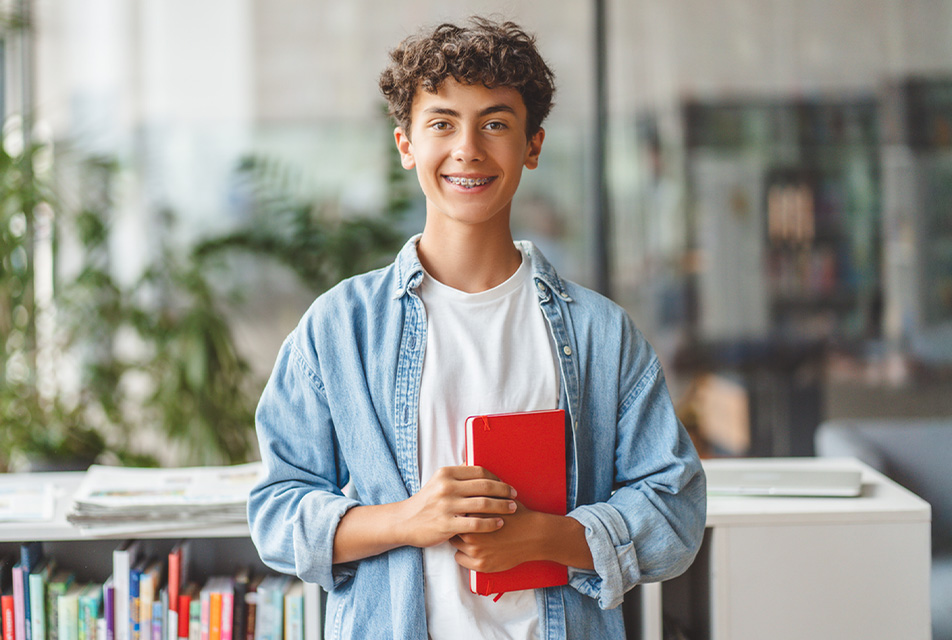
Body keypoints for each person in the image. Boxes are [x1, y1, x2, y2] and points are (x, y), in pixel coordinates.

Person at [248, 16, 705, 639]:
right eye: (442, 122)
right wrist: (410, 520)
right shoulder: (339, 328)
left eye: (495, 123)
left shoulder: (601, 334)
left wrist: (550, 538)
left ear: (532, 146)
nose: (468, 147)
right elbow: (277, 512)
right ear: (405, 143)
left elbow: (675, 512)